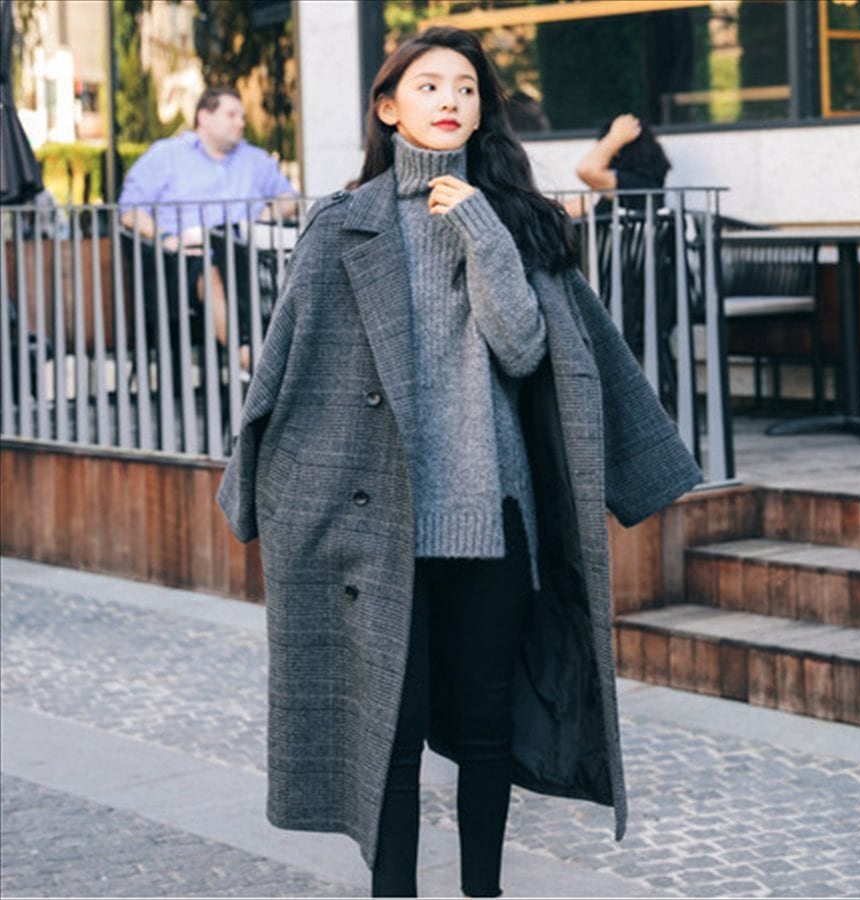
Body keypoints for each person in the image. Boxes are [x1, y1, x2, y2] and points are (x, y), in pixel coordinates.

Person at [217, 27, 701, 899]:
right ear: (388, 107)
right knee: (391, 738)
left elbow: (522, 347)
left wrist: (481, 226)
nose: (450, 99)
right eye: (430, 84)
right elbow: (284, 371)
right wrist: (263, 498)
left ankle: (484, 892)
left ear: (483, 112)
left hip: (491, 521)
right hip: (377, 525)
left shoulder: (515, 218)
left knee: (485, 732)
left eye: (467, 88)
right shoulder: (342, 224)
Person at [118, 86, 297, 371]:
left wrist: (266, 213)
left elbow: (290, 200)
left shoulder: (254, 159)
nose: (241, 122)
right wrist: (167, 239)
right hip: (184, 259)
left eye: (242, 116)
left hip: (247, 254)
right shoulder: (166, 155)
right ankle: (251, 360)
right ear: (204, 117)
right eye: (231, 115)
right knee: (212, 269)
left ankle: (284, 360)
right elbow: (130, 211)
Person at [565, 113, 671, 217]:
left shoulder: (635, 184)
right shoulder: (642, 183)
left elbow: (586, 170)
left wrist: (615, 138)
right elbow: (578, 206)